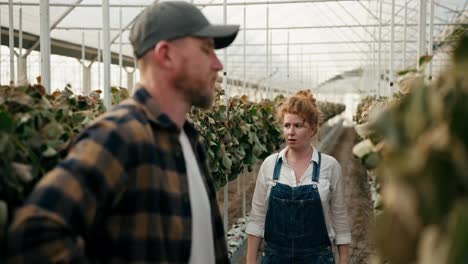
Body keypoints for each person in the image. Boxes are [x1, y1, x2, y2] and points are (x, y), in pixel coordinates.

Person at [5, 1, 239, 263]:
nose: (218, 64)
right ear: (166, 54)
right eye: (206, 49)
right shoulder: (120, 135)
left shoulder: (188, 138)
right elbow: (33, 236)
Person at [246, 90, 351, 264]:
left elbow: (340, 220)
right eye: (287, 126)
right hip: (275, 258)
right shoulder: (270, 165)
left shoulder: (329, 166)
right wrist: (250, 261)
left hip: (317, 258)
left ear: (313, 128)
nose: (290, 132)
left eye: (298, 126)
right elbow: (257, 219)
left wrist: (344, 260)